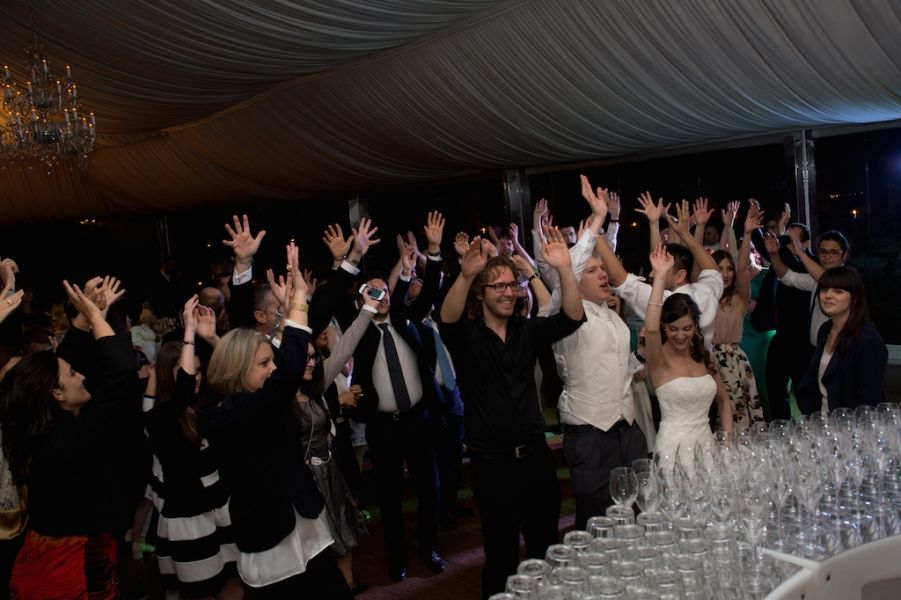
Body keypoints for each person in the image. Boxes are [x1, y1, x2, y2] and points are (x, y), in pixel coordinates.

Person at [438, 227, 585, 599]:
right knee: (501, 556)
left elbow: (572, 317)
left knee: (545, 551)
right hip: (492, 466)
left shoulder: (527, 331)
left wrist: (564, 269)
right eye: (499, 286)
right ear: (481, 294)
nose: (508, 292)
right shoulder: (467, 336)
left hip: (535, 459)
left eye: (512, 285)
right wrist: (466, 274)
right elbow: (446, 320)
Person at [200, 243, 351, 599]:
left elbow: (285, 357)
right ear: (239, 370)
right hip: (271, 535)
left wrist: (288, 311)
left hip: (301, 520)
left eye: (272, 362)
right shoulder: (235, 410)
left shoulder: (253, 400)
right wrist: (298, 298)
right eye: (265, 364)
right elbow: (291, 367)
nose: (273, 369)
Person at [322, 215, 446, 582]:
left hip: (418, 420)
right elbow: (336, 301)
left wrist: (433, 251)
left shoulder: (407, 320)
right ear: (362, 300)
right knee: (390, 498)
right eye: (372, 293)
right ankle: (398, 556)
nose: (381, 297)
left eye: (385, 292)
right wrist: (344, 261)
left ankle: (429, 547)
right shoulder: (359, 331)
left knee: (430, 490)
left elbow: (430, 290)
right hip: (383, 427)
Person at [1, 278, 133, 599]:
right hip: (72, 567)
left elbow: (61, 363)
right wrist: (97, 315)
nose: (82, 375)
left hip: (42, 553)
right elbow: (122, 372)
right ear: (57, 394)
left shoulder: (36, 426)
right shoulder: (71, 437)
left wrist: (84, 317)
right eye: (74, 374)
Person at [535, 176, 646, 530]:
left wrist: (639, 361)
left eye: (603, 270)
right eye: (593, 270)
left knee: (636, 512)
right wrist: (598, 219)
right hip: (590, 433)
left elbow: (615, 363)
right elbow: (571, 265)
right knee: (599, 520)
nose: (603, 275)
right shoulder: (564, 312)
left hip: (627, 429)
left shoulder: (611, 315)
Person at [144, 297, 241, 599]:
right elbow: (183, 391)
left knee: (234, 578)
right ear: (168, 374)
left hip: (220, 507)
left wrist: (211, 338)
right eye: (188, 370)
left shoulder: (204, 407)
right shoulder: (160, 417)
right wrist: (188, 332)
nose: (195, 377)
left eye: (198, 370)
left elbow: (239, 374)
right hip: (189, 517)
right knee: (201, 591)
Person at [294, 280, 378, 594]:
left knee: (342, 529)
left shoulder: (317, 385)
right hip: (301, 480)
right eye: (304, 357)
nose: (311, 361)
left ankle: (348, 585)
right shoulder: (278, 396)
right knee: (311, 546)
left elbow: (345, 348)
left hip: (328, 470)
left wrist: (367, 310)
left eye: (313, 357)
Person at [644, 245, 733, 473]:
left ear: (696, 327)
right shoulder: (659, 359)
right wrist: (660, 276)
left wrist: (727, 443)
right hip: (672, 450)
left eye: (687, 328)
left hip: (706, 445)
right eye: (673, 329)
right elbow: (651, 329)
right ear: (665, 327)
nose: (681, 335)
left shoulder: (704, 357)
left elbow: (724, 401)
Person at [796, 267, 887, 414]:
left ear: (854, 298)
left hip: (849, 424)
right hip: (822, 420)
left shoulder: (868, 341)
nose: (828, 296)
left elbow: (868, 401)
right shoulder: (825, 330)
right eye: (824, 290)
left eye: (838, 291)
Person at [710, 202, 764, 428]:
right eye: (719, 269)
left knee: (739, 422)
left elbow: (742, 269)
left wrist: (747, 233)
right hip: (708, 361)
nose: (725, 274)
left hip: (734, 362)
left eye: (728, 269)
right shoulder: (705, 298)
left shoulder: (739, 299)